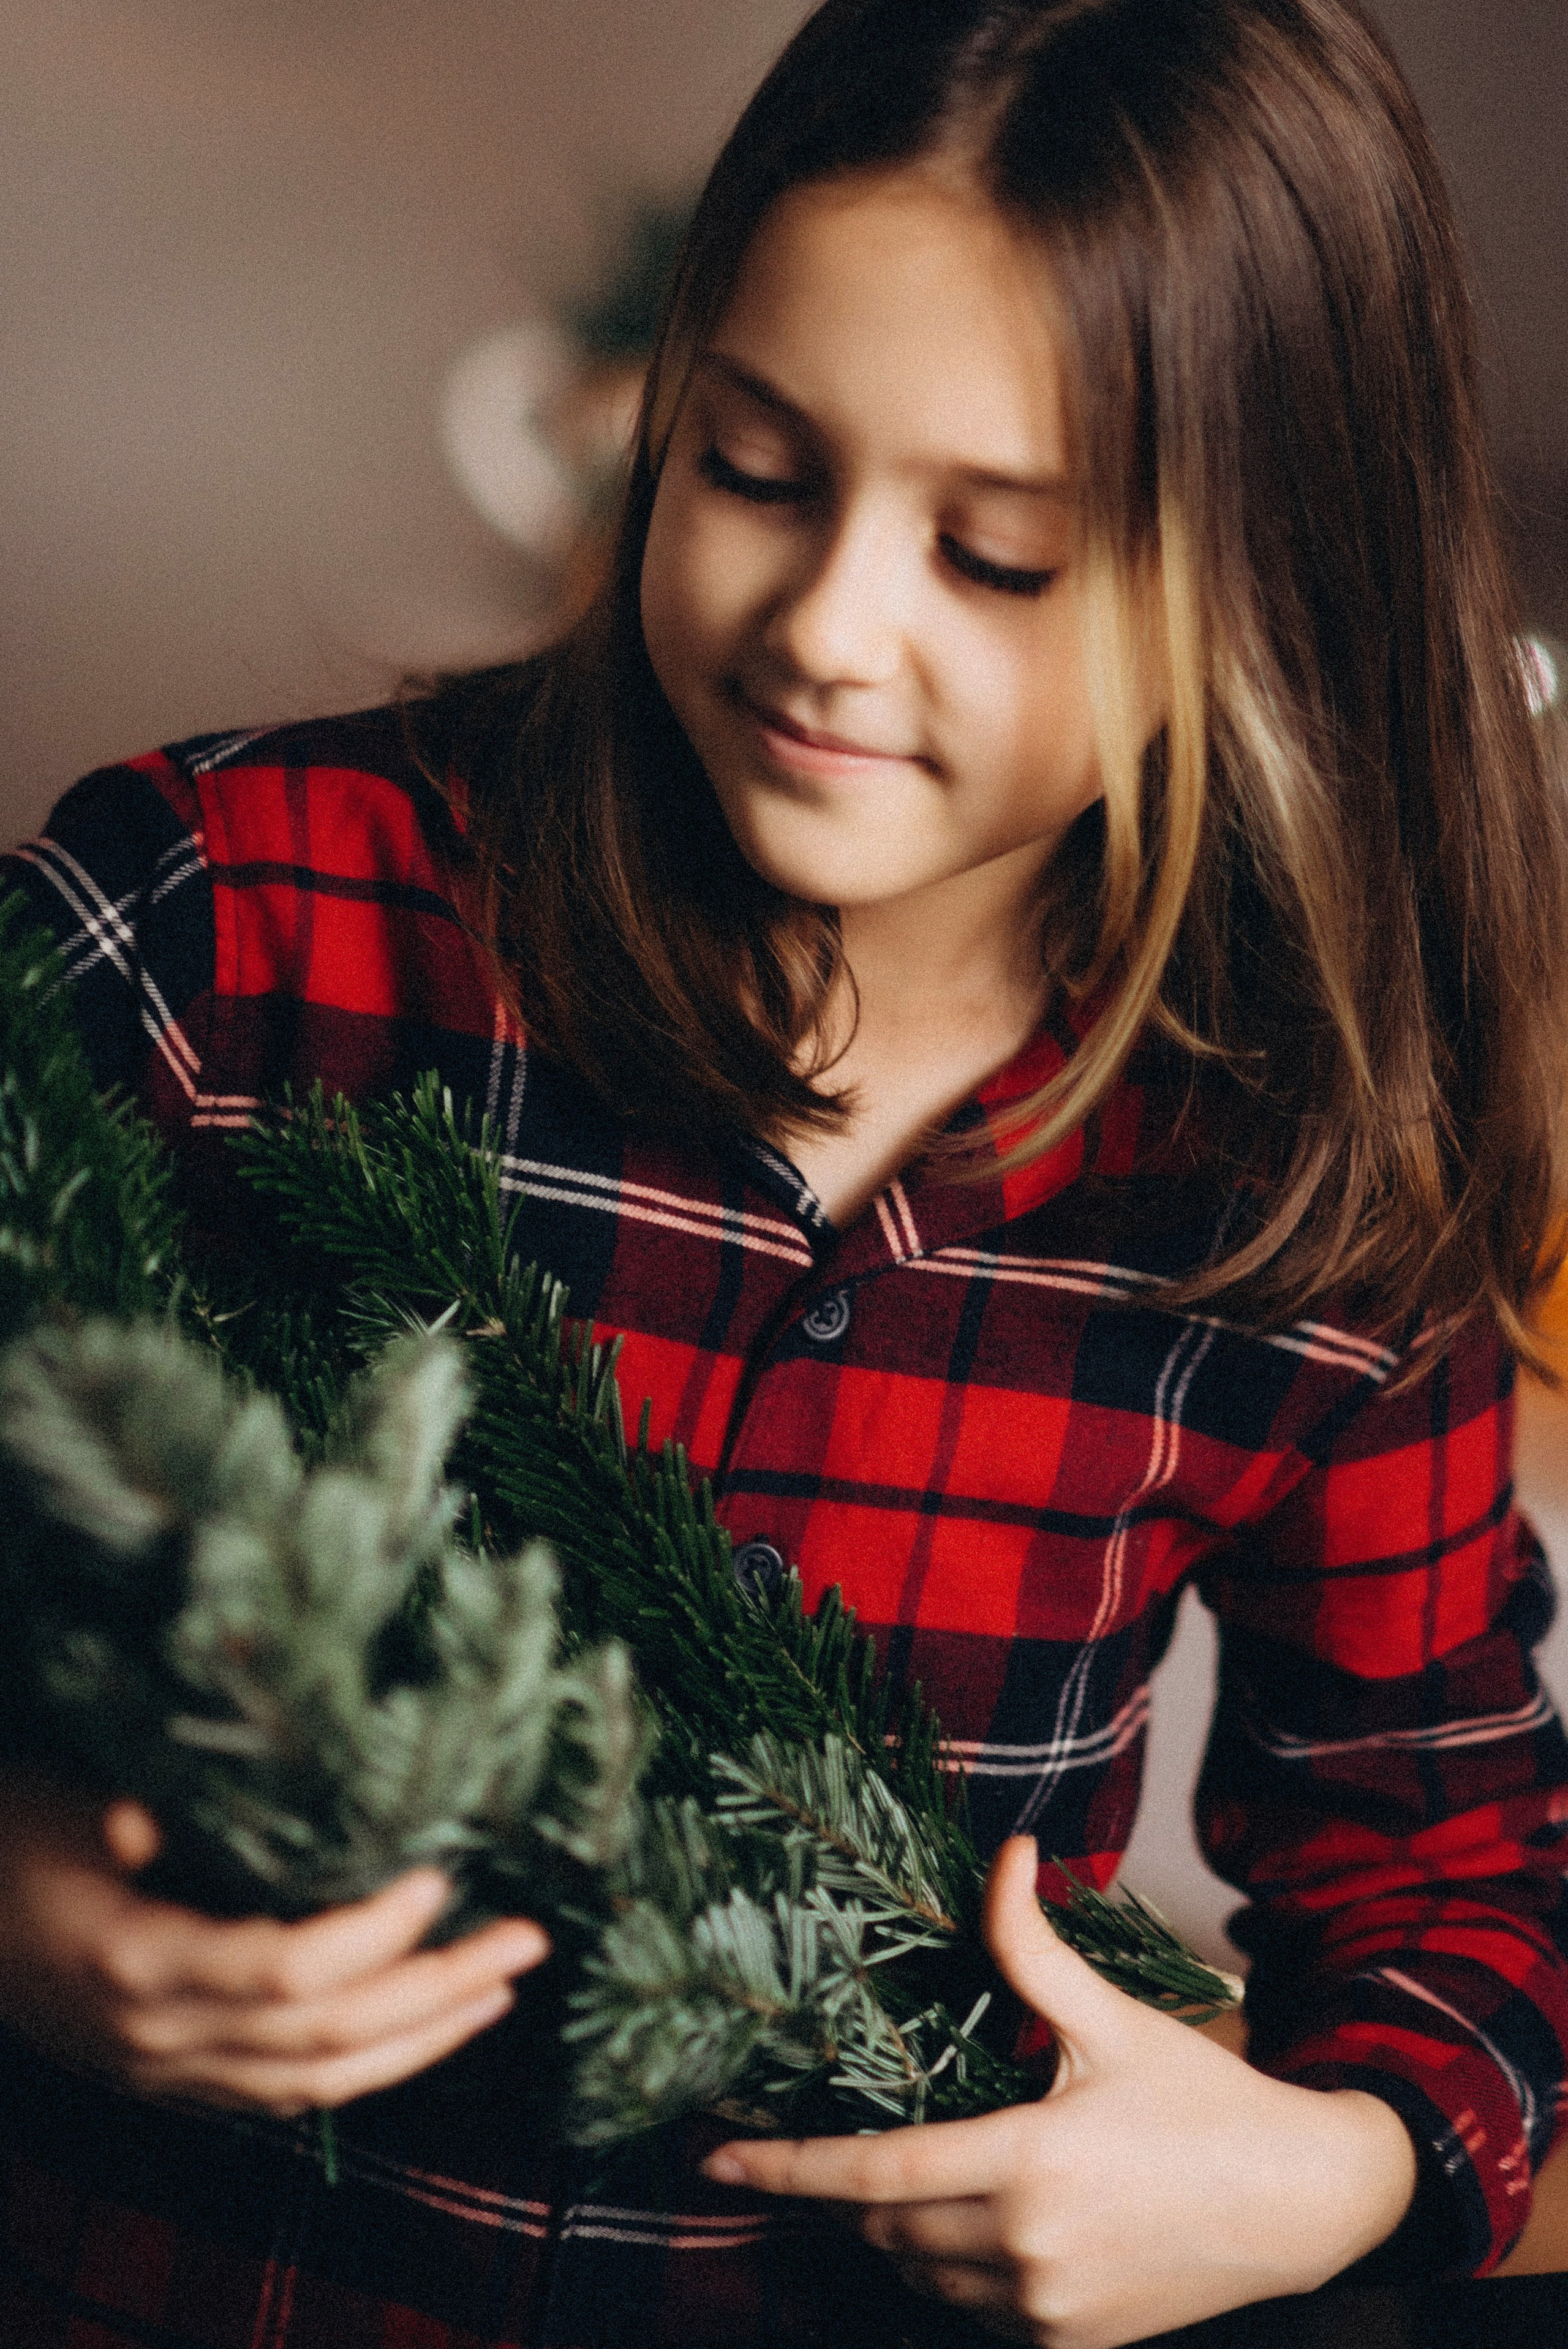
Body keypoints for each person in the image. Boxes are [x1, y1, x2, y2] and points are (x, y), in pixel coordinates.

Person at [3, 1, 1567, 2342]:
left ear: (1270, 590)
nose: (831, 625)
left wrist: (1324, 2171)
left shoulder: (1311, 1182)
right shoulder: (220, 914)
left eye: (1001, 560)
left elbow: (1457, 1868)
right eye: (754, 468)